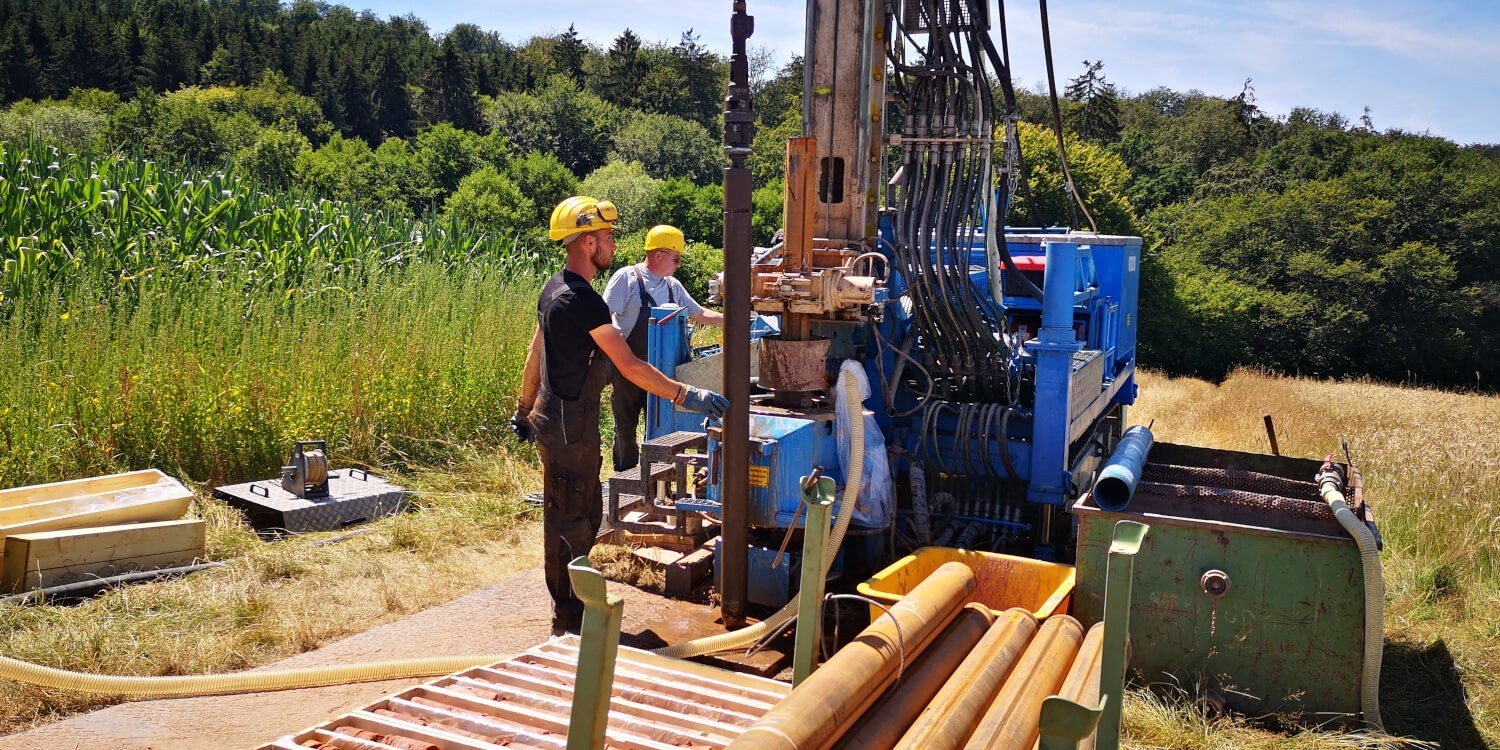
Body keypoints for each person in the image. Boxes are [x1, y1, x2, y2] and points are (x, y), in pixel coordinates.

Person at [510, 197, 728, 636]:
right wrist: (689, 394)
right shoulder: (582, 300)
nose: (612, 243)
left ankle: (578, 606)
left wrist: (522, 406)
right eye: (607, 236)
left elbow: (536, 352)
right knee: (570, 521)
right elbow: (629, 366)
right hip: (568, 428)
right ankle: (567, 622)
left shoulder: (554, 288)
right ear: (588, 241)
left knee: (587, 516)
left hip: (566, 422)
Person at [601, 224, 726, 473]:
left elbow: (700, 313)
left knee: (661, 429)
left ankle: (659, 482)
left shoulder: (673, 287)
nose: (678, 265)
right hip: (627, 368)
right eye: (676, 258)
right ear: (659, 255)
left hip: (662, 374)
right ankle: (625, 478)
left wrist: (735, 321)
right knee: (625, 428)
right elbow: (604, 316)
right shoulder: (627, 278)